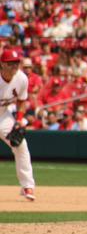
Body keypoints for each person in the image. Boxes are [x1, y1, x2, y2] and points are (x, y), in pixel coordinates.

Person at [0, 48, 35, 201]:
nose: (15, 66)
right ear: (2, 64)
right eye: (10, 63)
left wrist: (20, 119)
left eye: (16, 63)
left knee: (21, 145)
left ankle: (27, 186)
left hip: (3, 116)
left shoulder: (21, 79)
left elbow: (21, 100)